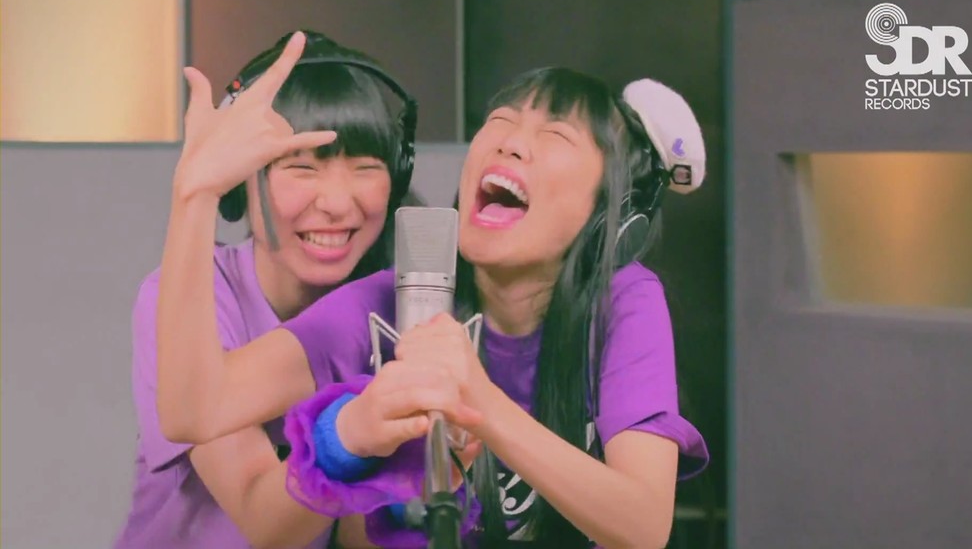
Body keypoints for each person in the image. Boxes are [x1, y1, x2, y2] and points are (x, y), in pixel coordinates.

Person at [156, 64, 709, 548]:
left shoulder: (623, 301)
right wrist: (195, 196)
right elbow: (192, 413)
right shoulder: (388, 303)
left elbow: (643, 525)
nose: (510, 143)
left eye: (555, 135)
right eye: (501, 121)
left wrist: (479, 401)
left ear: (607, 211)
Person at [114, 29, 424, 549]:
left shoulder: (387, 309)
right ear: (242, 183)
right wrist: (196, 193)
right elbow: (265, 521)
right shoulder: (190, 297)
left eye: (365, 168)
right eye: (301, 167)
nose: (337, 203)